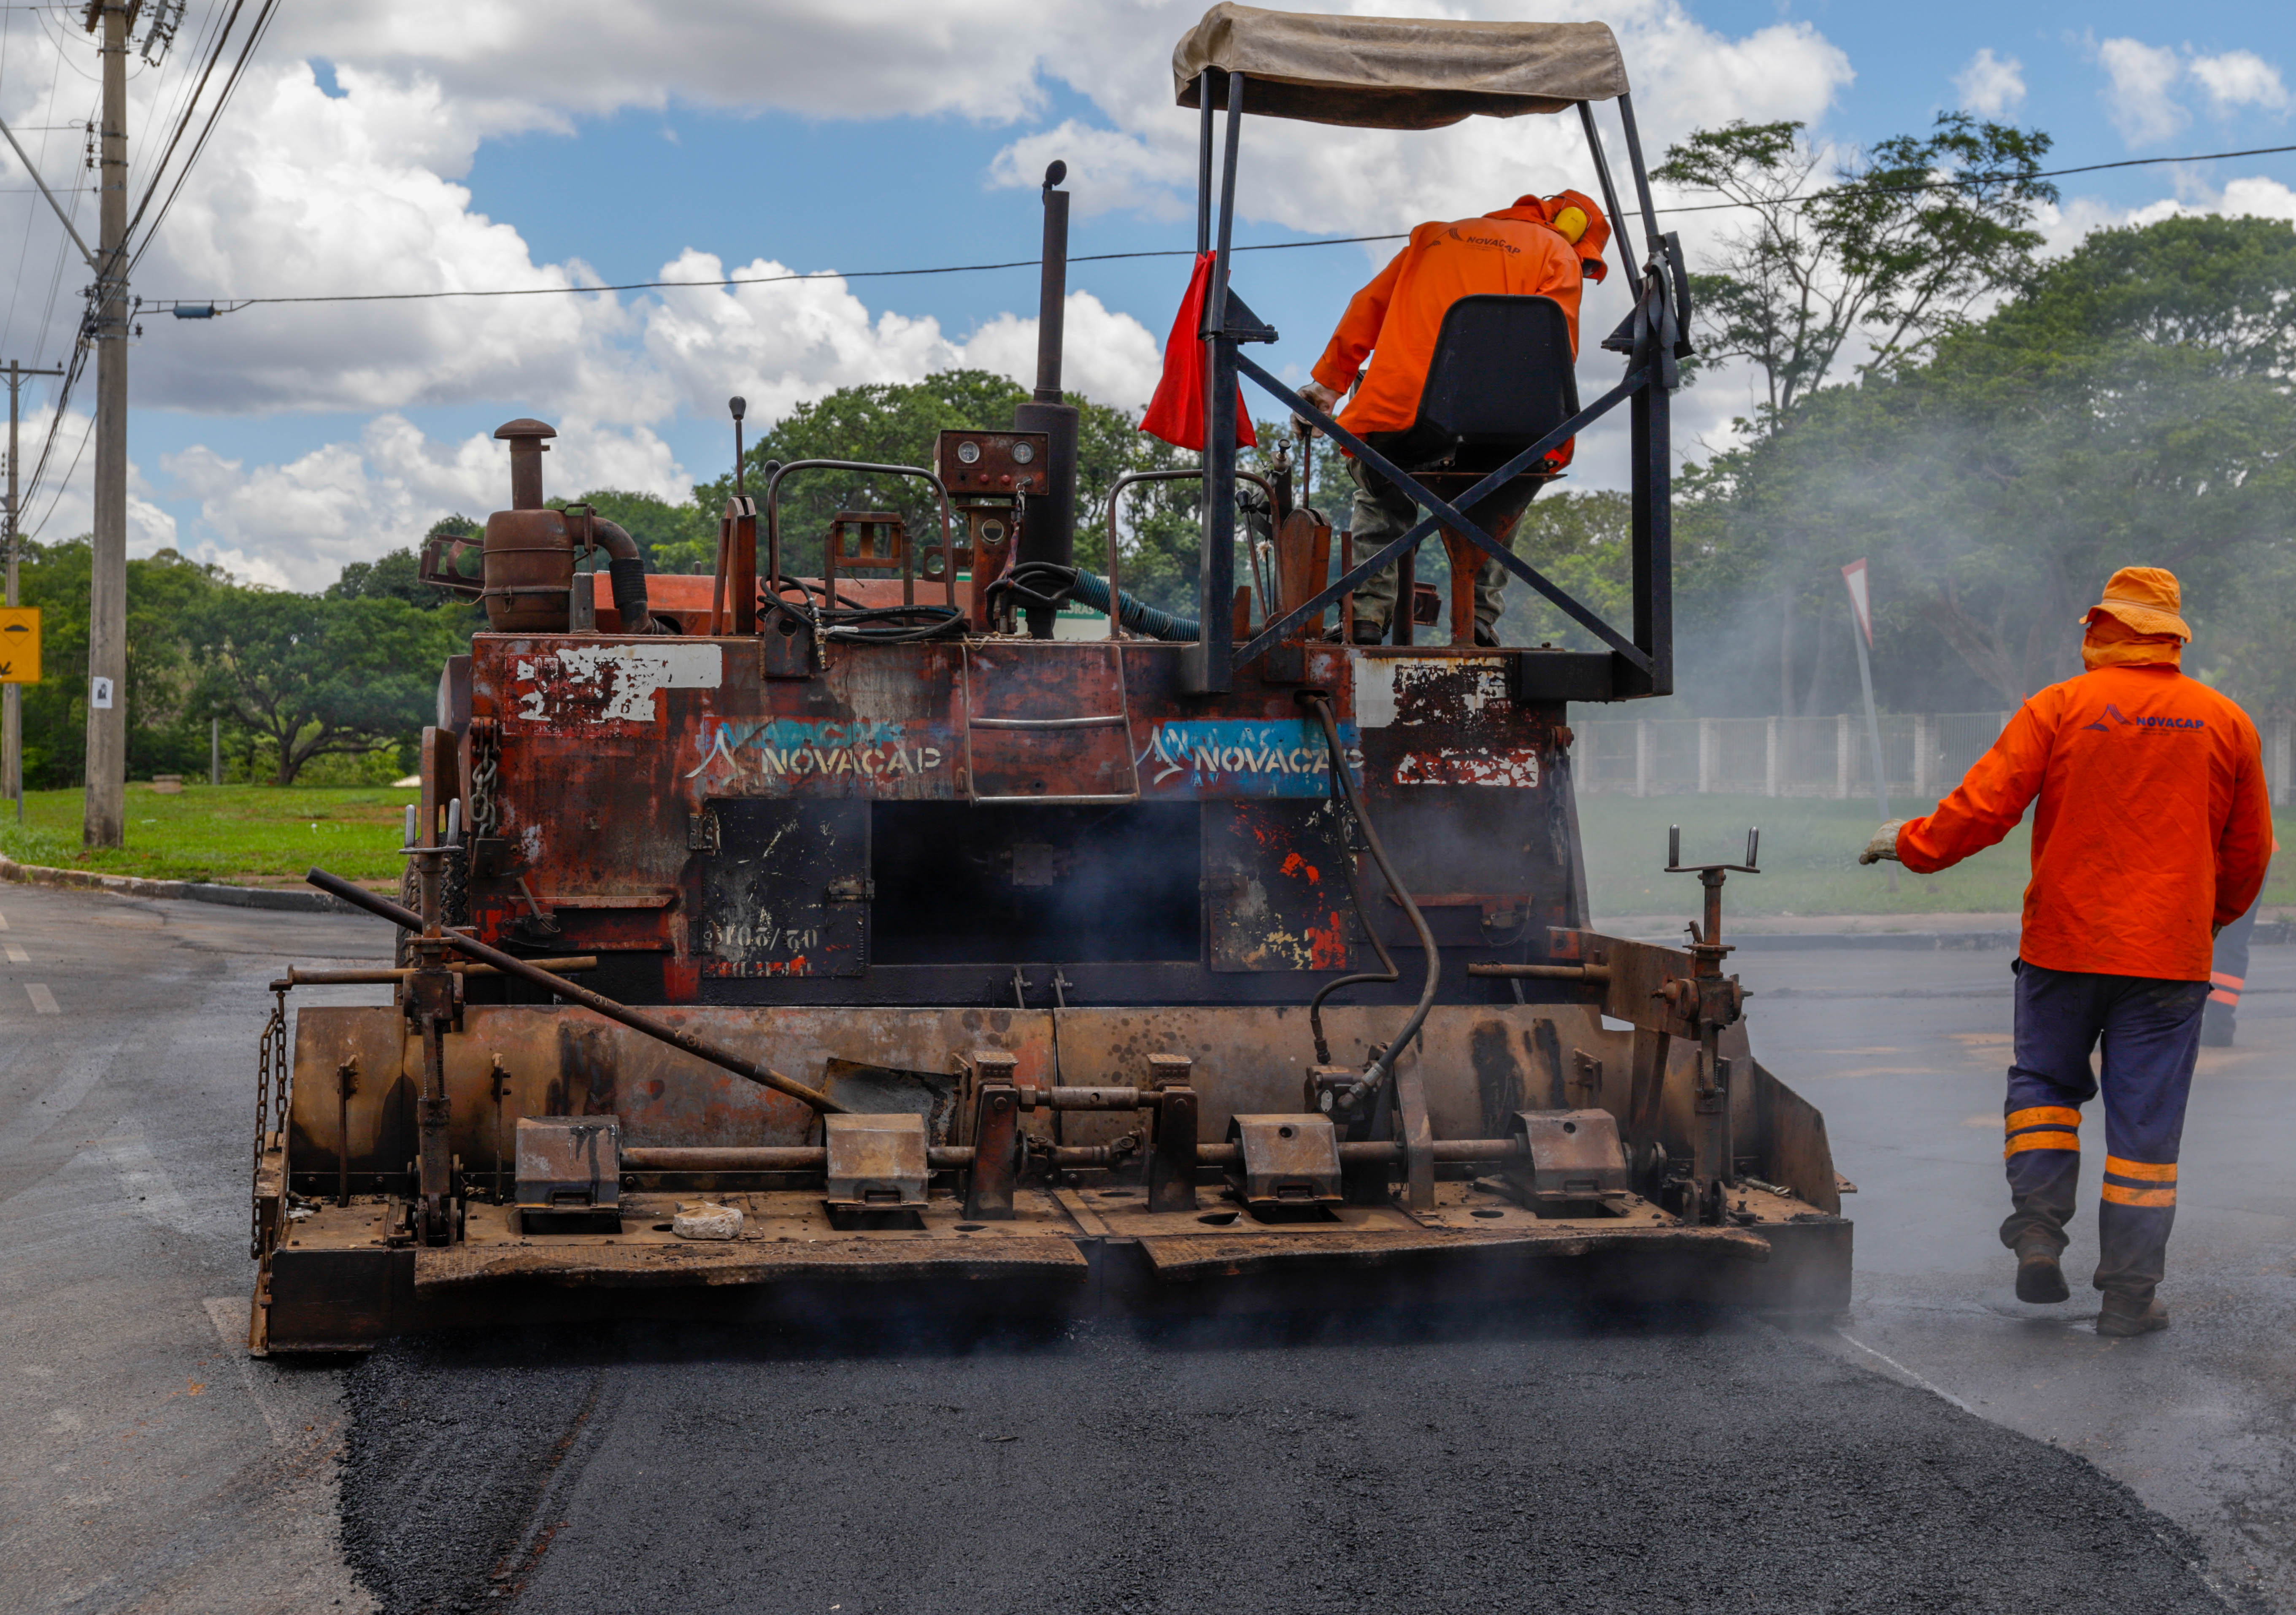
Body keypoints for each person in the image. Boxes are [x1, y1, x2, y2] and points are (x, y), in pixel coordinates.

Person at [1859, 567, 2271, 1337]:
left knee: (2045, 1088)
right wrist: (2203, 921)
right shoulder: (2226, 721)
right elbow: (2249, 853)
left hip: (2063, 947)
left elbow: (1983, 808)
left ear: (2101, 626)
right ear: (2172, 633)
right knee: (2145, 1128)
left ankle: (2038, 1233)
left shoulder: (2058, 706)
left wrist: (1909, 845)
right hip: (2166, 959)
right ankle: (2128, 1296)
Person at [1297, 191, 1610, 645]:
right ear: (1574, 228)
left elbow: (1368, 306)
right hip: (1493, 426)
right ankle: (1477, 619)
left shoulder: (1431, 239)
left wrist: (1328, 386)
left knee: (1381, 493)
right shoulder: (1557, 251)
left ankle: (1365, 615)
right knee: (1504, 492)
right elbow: (1555, 351)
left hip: (1402, 417)